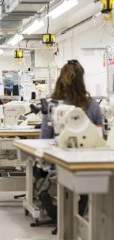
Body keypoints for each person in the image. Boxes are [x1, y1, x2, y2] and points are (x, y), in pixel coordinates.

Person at [40, 59, 102, 218]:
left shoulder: (52, 104)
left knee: (38, 170)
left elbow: (44, 139)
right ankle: (81, 209)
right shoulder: (93, 105)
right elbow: (99, 136)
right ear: (82, 80)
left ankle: (50, 204)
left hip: (58, 164)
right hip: (90, 164)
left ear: (60, 79)